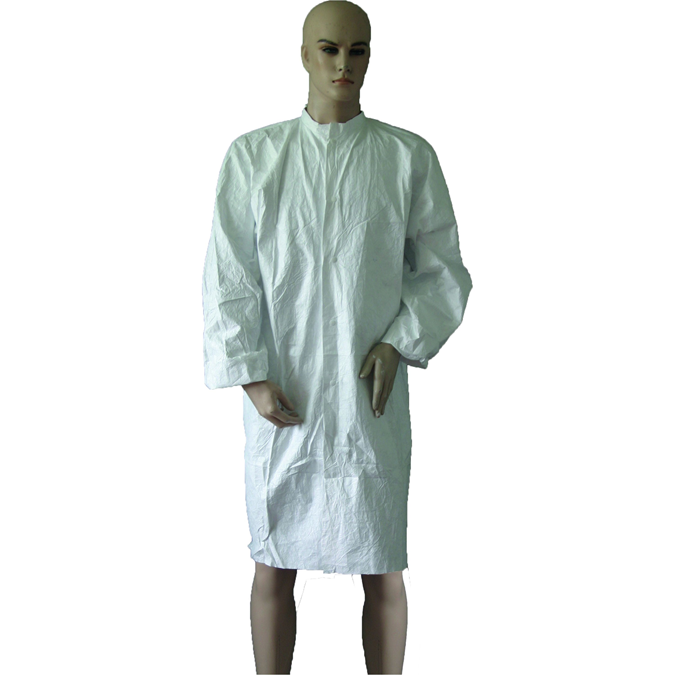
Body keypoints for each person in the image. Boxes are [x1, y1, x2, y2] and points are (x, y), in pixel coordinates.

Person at [201, 1, 473, 672]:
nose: (343, 63)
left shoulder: (406, 157)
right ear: (303, 54)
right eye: (328, 48)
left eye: (357, 50)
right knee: (272, 561)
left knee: (382, 564)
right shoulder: (255, 157)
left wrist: (399, 340)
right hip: (284, 391)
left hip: (366, 397)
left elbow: (441, 270)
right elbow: (229, 275)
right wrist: (250, 373)